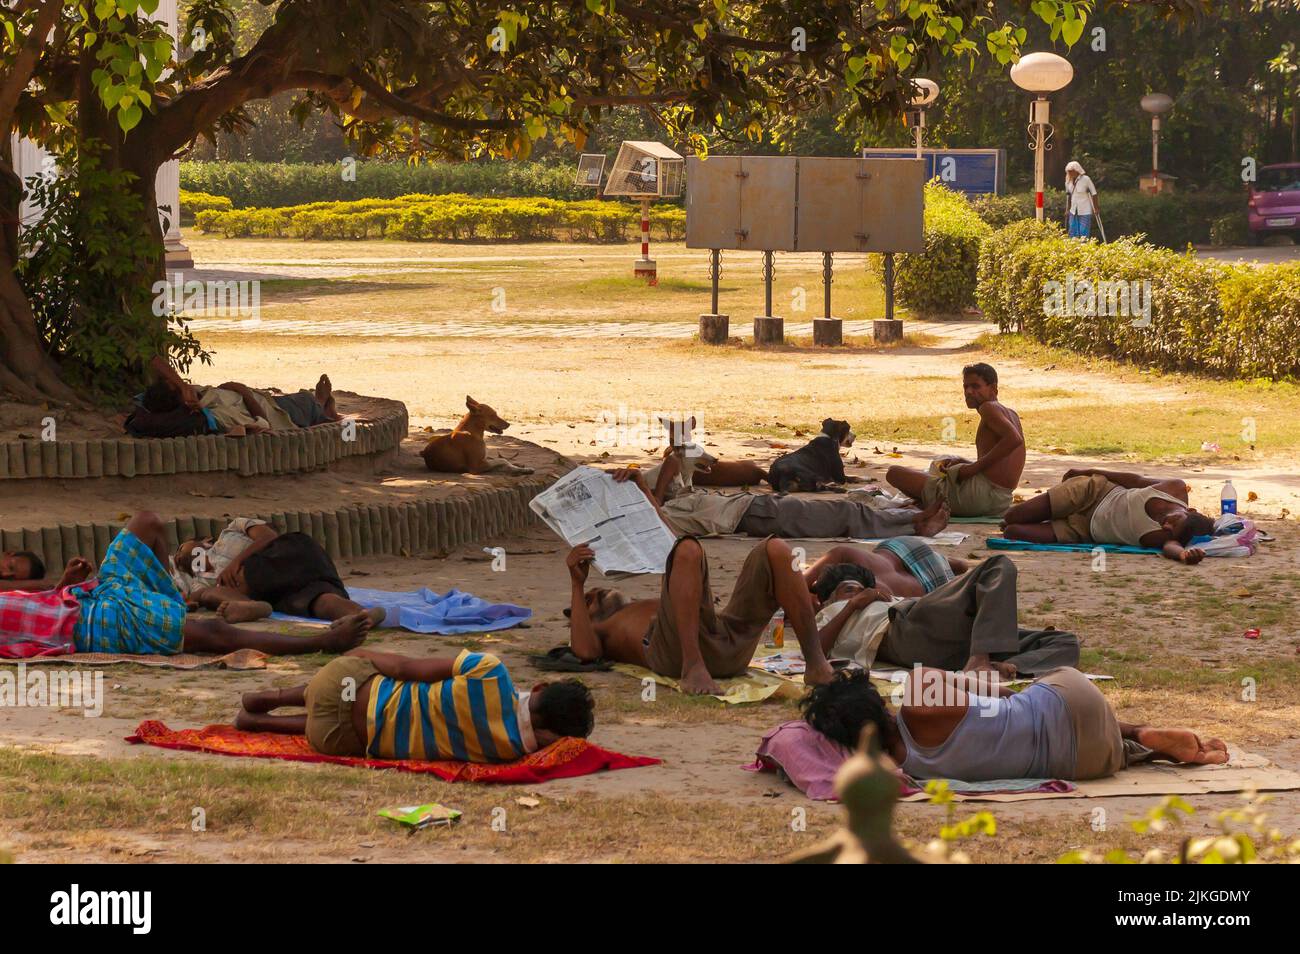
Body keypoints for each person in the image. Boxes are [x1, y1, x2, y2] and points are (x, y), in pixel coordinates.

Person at [0, 512, 373, 659]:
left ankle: (173, 599)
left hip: (92, 592)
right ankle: (322, 642)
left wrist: (63, 585)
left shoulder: (233, 532)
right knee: (213, 634)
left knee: (146, 522)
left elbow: (35, 590)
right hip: (96, 622)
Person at [801, 667, 1228, 782]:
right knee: (1029, 701)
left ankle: (1141, 747)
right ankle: (1138, 731)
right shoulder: (918, 694)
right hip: (1073, 702)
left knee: (1058, 744)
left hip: (1085, 763)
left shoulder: (903, 766)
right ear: (875, 701)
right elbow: (998, 692)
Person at [566, 534, 838, 695]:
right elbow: (585, 651)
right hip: (678, 656)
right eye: (591, 599)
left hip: (722, 641)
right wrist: (577, 585)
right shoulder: (607, 627)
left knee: (776, 548)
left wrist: (644, 491)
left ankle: (816, 664)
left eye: (594, 590)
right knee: (686, 548)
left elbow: (673, 544)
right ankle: (693, 666)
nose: (598, 592)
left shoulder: (652, 605)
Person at [235, 648, 595, 762]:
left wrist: (361, 655)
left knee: (359, 683)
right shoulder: (507, 753)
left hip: (339, 684)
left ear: (540, 686)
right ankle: (260, 723)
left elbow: (406, 668)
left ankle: (272, 698)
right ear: (551, 737)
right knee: (365, 729)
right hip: (334, 738)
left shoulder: (489, 672)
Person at [808, 555, 1078, 677]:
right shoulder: (831, 613)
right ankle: (980, 659)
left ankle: (1004, 665)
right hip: (905, 631)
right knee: (998, 566)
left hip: (946, 643)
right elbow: (816, 650)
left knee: (1066, 642)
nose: (859, 593)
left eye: (861, 587)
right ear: (828, 598)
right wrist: (852, 604)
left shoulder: (878, 598)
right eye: (848, 589)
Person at [633, 459, 951, 541]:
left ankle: (911, 520)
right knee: (844, 516)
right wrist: (648, 495)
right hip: (755, 515)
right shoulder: (659, 521)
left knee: (846, 510)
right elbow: (665, 530)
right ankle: (913, 526)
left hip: (755, 507)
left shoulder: (665, 503)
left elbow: (674, 460)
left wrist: (651, 491)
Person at [173, 517, 383, 625]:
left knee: (249, 573)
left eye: (182, 548)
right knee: (317, 601)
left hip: (290, 556)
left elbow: (269, 537)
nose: (180, 555)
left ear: (204, 541)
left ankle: (250, 602)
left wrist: (236, 563)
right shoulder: (201, 582)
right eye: (180, 560)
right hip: (273, 592)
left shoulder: (232, 530)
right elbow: (196, 596)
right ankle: (361, 616)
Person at [885, 364, 1024, 518]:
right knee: (935, 476)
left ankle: (931, 502)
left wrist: (973, 468)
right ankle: (930, 501)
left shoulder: (988, 408)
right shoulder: (1011, 414)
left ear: (993, 389)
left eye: (976, 386)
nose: (969, 392)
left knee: (894, 473)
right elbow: (999, 464)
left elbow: (1013, 439)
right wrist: (963, 462)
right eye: (966, 387)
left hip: (978, 499)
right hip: (1000, 501)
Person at [1002, 468, 1216, 564]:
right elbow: (1133, 479)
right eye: (1175, 521)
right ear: (1189, 510)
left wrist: (1183, 556)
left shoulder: (1164, 535)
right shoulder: (1175, 488)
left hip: (1084, 530)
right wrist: (1086, 471)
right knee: (1012, 517)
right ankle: (1048, 509)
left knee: (1012, 532)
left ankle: (1049, 516)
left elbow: (1171, 546)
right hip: (1093, 492)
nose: (1167, 527)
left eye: (1172, 532)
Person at [124, 356, 341, 438]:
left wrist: (182, 385)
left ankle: (320, 405)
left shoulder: (162, 398)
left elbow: (154, 359)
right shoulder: (214, 415)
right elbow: (262, 422)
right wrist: (243, 391)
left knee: (296, 400)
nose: (180, 382)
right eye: (176, 385)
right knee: (301, 404)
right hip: (268, 408)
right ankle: (322, 405)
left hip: (252, 397)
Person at [801, 538, 968, 599]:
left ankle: (951, 563)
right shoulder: (843, 554)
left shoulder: (877, 594)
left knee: (959, 569)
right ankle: (951, 563)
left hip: (928, 578)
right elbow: (796, 585)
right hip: (900, 547)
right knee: (960, 566)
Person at [1065, 160, 1099, 240]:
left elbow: (1094, 194)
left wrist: (1096, 208)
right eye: (1068, 171)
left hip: (1085, 210)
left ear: (1076, 171)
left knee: (1083, 231)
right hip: (1073, 210)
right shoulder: (1068, 181)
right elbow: (1069, 196)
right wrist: (1067, 209)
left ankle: (1084, 247)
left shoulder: (1086, 179)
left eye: (1071, 171)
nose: (1069, 173)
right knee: (1072, 231)